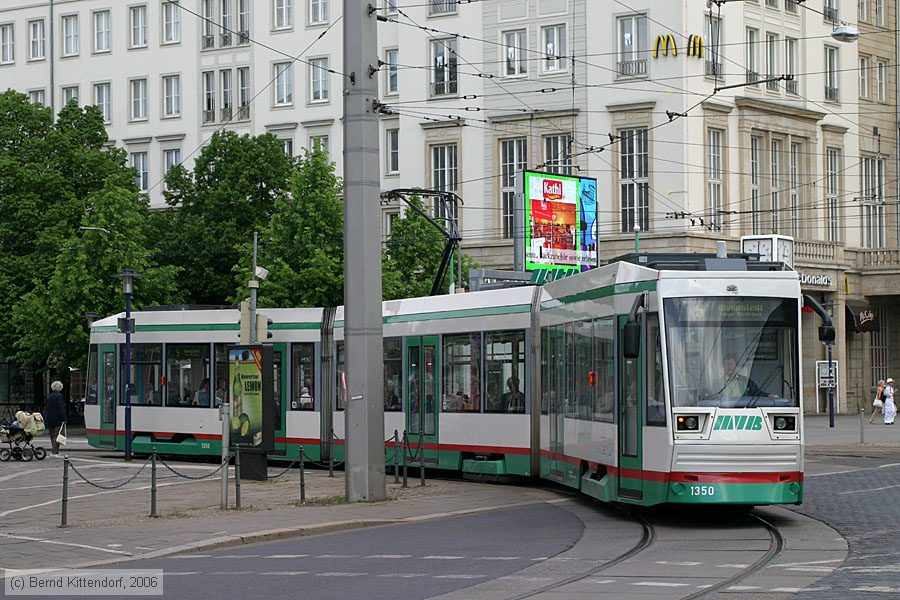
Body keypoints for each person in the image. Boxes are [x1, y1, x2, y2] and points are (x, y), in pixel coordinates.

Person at [44, 381, 66, 457]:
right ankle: (55, 452)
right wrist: (64, 418)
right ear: (60, 388)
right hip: (58, 418)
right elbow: (61, 409)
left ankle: (54, 451)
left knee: (52, 435)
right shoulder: (59, 396)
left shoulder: (49, 396)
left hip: (50, 418)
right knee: (58, 435)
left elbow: (47, 408)